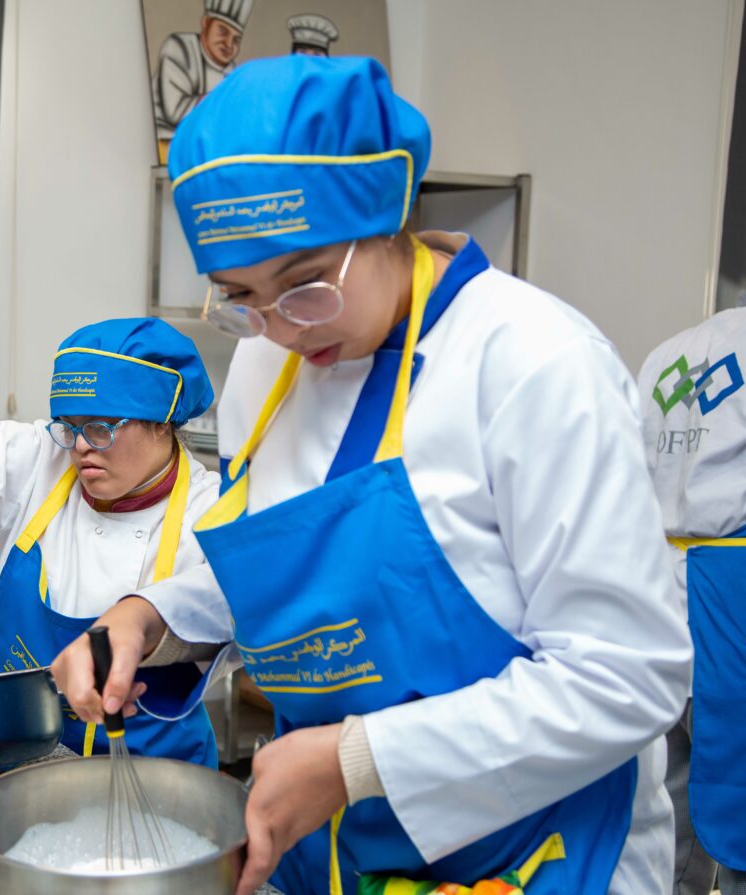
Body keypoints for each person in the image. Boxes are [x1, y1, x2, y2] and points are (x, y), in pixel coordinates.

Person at [53, 56, 692, 895]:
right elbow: (284, 549)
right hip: (344, 855)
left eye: (306, 287)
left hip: (540, 855)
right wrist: (154, 616)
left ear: (386, 219)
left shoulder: (534, 364)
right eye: (241, 296)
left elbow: (631, 673)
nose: (280, 328)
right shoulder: (261, 370)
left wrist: (357, 758)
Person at [0, 318, 228, 766]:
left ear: (162, 424)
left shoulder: (212, 512)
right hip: (9, 755)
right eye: (69, 426)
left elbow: (241, 615)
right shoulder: (39, 456)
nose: (79, 448)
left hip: (156, 775)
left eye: (101, 427)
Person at [638, 306, 746, 895]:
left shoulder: (669, 352)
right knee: (741, 812)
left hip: (657, 593)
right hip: (734, 599)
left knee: (661, 809)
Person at [153, 0, 254, 163]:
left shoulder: (233, 71)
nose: (228, 44)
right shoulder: (179, 47)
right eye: (223, 31)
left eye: (236, 40)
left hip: (204, 154)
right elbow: (175, 112)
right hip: (165, 147)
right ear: (206, 23)